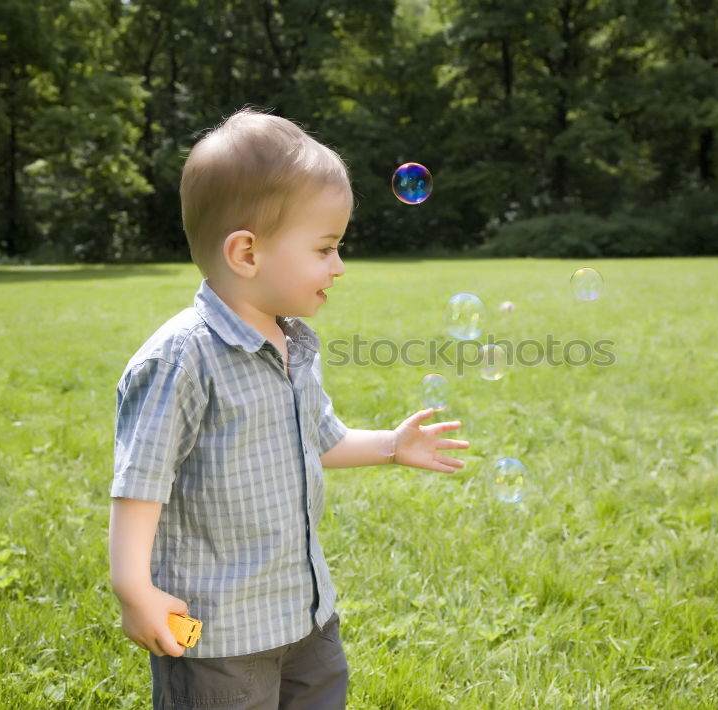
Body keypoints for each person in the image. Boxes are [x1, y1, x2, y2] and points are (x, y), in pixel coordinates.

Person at [108, 107, 469, 710]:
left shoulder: (294, 341)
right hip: (220, 631)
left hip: (304, 612)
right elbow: (140, 484)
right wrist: (133, 587)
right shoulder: (181, 360)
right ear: (247, 254)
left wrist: (389, 447)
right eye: (325, 248)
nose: (340, 266)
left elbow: (321, 440)